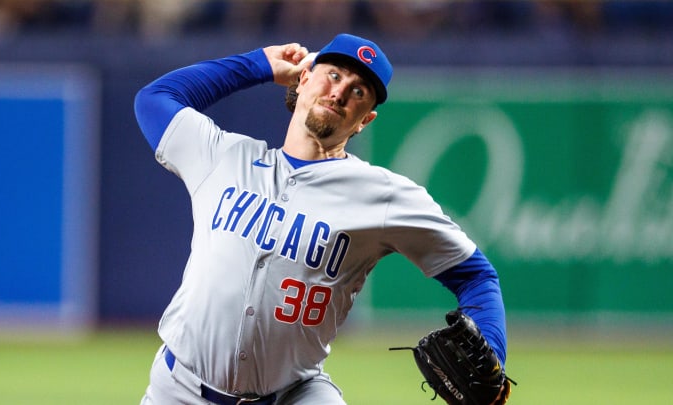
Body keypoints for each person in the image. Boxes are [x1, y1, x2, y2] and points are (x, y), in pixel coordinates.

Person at [134, 33, 508, 405]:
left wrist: (493, 353)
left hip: (294, 395)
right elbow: (154, 99)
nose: (341, 91)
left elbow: (476, 275)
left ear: (366, 120)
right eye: (333, 74)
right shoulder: (222, 157)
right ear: (303, 78)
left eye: (360, 91)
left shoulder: (385, 196)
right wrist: (258, 65)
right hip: (180, 389)